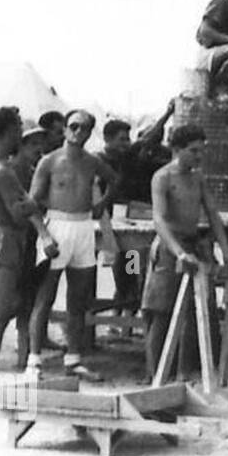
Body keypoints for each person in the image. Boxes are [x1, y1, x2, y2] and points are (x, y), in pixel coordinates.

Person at [24, 109, 120, 381]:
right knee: (45, 297)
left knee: (78, 300)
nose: (78, 132)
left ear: (90, 133)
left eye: (85, 128)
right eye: (74, 126)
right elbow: (32, 205)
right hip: (56, 227)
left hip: (84, 229)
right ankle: (33, 362)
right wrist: (44, 235)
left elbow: (115, 180)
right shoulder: (49, 162)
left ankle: (73, 359)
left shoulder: (93, 162)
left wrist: (102, 203)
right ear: (65, 129)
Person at [140, 125, 228, 380]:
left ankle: (186, 375)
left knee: (197, 313)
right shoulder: (162, 177)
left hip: (195, 246)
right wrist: (178, 253)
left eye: (201, 151)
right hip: (169, 247)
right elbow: (159, 221)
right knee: (161, 311)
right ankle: (158, 379)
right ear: (177, 149)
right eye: (193, 151)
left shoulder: (198, 178)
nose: (198, 156)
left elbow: (214, 217)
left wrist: (227, 255)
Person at [0, 108, 58, 391]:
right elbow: (19, 214)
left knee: (2, 311)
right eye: (19, 126)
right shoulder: (1, 171)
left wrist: (29, 207)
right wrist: (35, 206)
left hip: (4, 238)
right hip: (4, 241)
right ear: (10, 130)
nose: (22, 131)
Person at [97, 104, 173, 309]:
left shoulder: (128, 158)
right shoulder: (98, 160)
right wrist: (167, 113)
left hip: (127, 226)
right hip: (104, 224)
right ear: (108, 139)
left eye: (127, 139)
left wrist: (167, 115)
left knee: (131, 267)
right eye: (122, 139)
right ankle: (121, 309)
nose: (126, 143)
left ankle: (126, 312)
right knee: (118, 270)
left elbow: (147, 140)